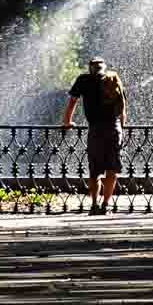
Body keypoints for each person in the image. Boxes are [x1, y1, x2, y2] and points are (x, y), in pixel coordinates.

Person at [63, 57, 127, 215]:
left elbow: (72, 101)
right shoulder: (113, 79)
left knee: (95, 170)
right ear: (104, 68)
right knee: (112, 169)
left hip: (96, 130)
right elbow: (123, 107)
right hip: (114, 128)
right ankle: (105, 205)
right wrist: (122, 126)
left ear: (90, 68)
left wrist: (67, 121)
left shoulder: (84, 80)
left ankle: (94, 205)